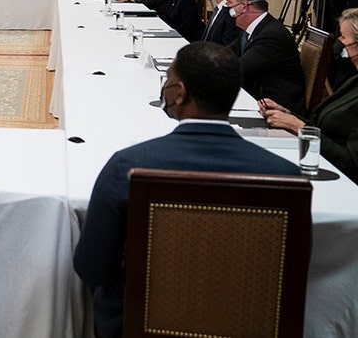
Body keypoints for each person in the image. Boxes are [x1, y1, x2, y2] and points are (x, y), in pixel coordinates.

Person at [73, 41, 300, 338]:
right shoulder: (285, 176)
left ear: (179, 94)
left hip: (136, 326)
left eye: (167, 79)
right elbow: (292, 277)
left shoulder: (128, 166)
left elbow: (92, 268)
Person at [261, 6, 358, 184]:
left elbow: (351, 161)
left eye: (343, 37)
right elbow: (322, 124)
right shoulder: (354, 80)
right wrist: (287, 114)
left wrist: (300, 127)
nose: (339, 42)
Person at [224, 0, 306, 115]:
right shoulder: (253, 29)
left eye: (229, 3)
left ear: (243, 6)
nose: (226, 7)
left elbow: (238, 68)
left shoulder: (271, 35)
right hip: (255, 96)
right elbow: (226, 53)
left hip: (276, 107)